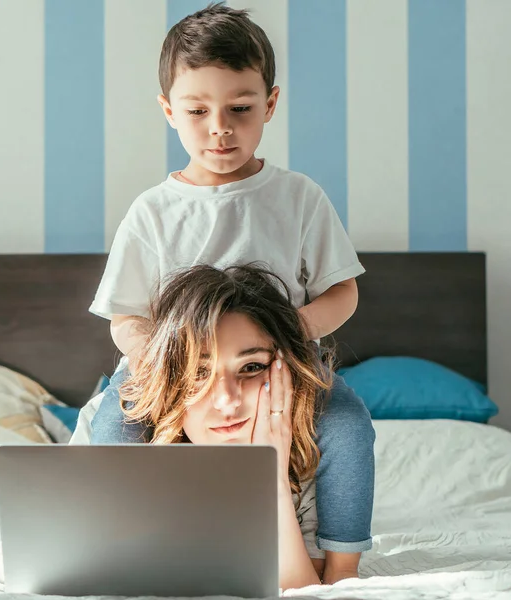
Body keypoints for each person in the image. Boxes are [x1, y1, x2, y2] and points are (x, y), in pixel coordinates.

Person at [85, 2, 375, 583]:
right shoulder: (153, 212)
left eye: (240, 109)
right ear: (169, 111)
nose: (220, 127)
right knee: (114, 431)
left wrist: (294, 335)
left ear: (270, 104)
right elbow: (125, 319)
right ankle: (110, 556)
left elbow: (343, 293)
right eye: (198, 110)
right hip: (175, 369)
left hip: (278, 362)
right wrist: (167, 362)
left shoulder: (298, 198)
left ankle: (341, 567)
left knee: (348, 425)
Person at [73, 264, 374, 588]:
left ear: (285, 372)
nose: (227, 401)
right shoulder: (108, 430)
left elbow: (301, 590)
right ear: (169, 380)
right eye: (199, 373)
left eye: (252, 367)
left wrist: (270, 474)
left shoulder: (314, 447)